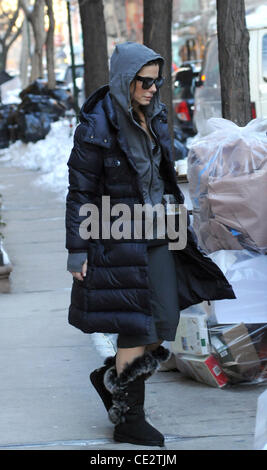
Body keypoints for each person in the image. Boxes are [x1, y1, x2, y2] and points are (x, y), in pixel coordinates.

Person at [65, 42, 235, 447]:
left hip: (163, 234)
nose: (153, 88)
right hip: (120, 240)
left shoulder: (152, 116)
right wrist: (77, 247)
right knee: (136, 328)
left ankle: (114, 381)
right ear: (125, 80)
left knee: (163, 322)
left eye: (156, 81)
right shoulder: (96, 127)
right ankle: (129, 419)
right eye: (145, 81)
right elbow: (80, 192)